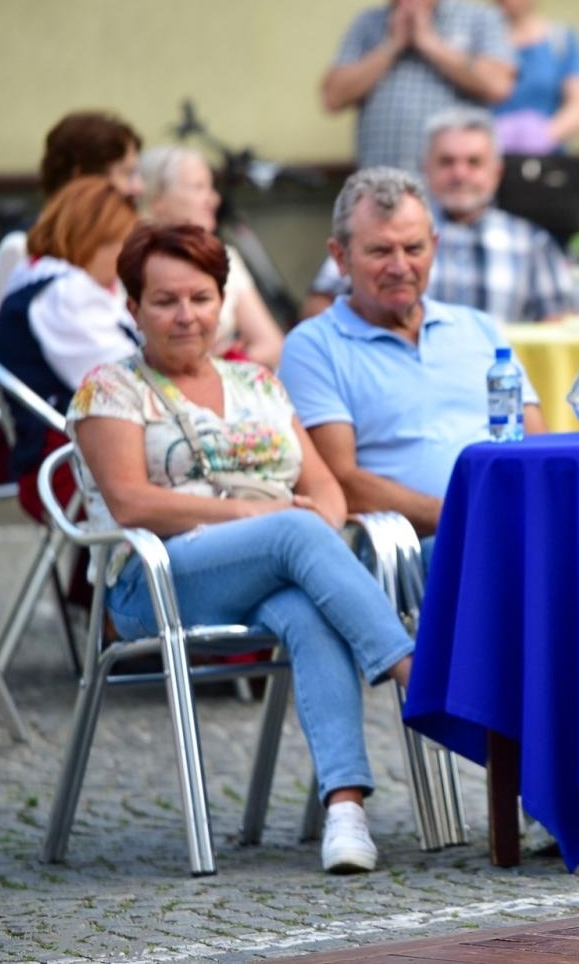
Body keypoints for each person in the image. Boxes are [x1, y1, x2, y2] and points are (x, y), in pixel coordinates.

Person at [67, 223, 417, 875]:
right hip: (158, 579)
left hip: (272, 563)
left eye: (200, 298)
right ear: (133, 307)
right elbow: (131, 504)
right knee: (292, 530)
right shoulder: (109, 388)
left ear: (222, 301)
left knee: (309, 609)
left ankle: (345, 810)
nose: (185, 315)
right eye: (164, 300)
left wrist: (309, 522)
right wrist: (265, 514)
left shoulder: (258, 381)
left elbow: (324, 489)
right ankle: (415, 677)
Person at [280, 168, 545, 541]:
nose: (400, 267)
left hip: (514, 524)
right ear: (340, 257)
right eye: (380, 250)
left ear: (434, 247)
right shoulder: (313, 347)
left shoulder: (477, 328)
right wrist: (460, 516)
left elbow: (536, 443)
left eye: (414, 248)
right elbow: (341, 482)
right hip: (420, 546)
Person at [301, 110, 575, 324]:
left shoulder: (532, 243)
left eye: (474, 162)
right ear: (425, 168)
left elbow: (561, 324)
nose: (460, 174)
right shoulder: (383, 229)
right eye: (446, 162)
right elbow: (319, 306)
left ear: (496, 172)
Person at [0, 177, 140, 518]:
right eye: (124, 242)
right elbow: (125, 381)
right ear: (91, 239)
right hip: (65, 468)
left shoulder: (43, 279)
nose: (131, 257)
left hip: (77, 455)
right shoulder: (66, 295)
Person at [320, 0, 515, 174]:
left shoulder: (480, 17)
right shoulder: (368, 23)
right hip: (383, 188)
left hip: (456, 191)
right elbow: (333, 97)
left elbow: (498, 85)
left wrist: (429, 42)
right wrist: (391, 46)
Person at [0, 111, 144, 325]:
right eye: (127, 173)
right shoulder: (20, 248)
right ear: (81, 178)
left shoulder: (119, 241)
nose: (138, 187)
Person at [137, 145, 285, 368]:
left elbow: (272, 346)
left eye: (211, 187)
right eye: (199, 187)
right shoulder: (131, 264)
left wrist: (223, 366)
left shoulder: (225, 258)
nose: (214, 199)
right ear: (158, 199)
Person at [482, 0, 579, 155]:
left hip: (547, 160)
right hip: (489, 161)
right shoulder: (479, 42)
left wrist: (544, 135)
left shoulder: (560, 39)